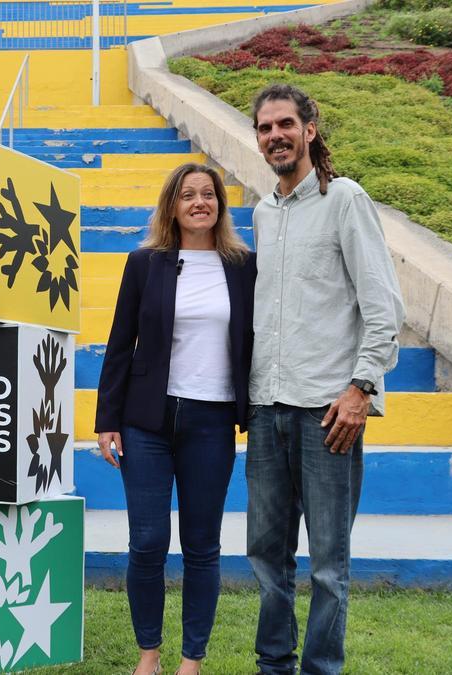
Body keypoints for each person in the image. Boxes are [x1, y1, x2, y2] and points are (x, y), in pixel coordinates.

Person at [247, 83, 405, 675]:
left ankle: (319, 670)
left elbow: (384, 307)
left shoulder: (346, 200)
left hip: (329, 412)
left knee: (328, 566)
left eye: (285, 124)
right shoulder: (263, 213)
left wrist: (361, 389)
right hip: (266, 409)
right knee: (266, 555)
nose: (275, 136)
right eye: (265, 128)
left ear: (310, 129)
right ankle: (274, 667)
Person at [94, 164, 256, 675]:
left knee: (202, 544)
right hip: (147, 421)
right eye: (188, 195)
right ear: (173, 205)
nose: (199, 202)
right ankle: (149, 656)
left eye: (208, 194)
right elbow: (120, 345)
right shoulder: (145, 263)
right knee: (146, 542)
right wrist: (107, 419)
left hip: (211, 419)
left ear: (220, 206)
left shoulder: (243, 266)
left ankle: (192, 661)